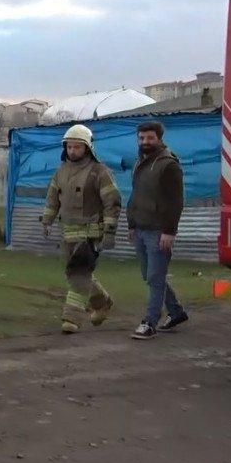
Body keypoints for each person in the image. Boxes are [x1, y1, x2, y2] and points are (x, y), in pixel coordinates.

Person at [40, 124, 121, 333]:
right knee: (74, 273)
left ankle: (71, 318)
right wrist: (47, 221)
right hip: (68, 233)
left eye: (77, 147)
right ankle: (102, 301)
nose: (72, 151)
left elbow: (112, 202)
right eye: (69, 147)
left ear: (87, 148)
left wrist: (110, 232)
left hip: (91, 234)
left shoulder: (100, 172)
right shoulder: (61, 172)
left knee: (78, 275)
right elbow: (52, 199)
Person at [127, 121, 187, 340]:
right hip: (141, 228)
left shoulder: (168, 165)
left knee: (155, 276)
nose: (145, 142)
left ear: (159, 138)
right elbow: (136, 197)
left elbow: (175, 202)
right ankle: (177, 312)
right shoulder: (140, 163)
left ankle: (149, 322)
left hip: (158, 231)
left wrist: (169, 232)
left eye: (150, 138)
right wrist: (131, 224)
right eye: (141, 138)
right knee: (150, 276)